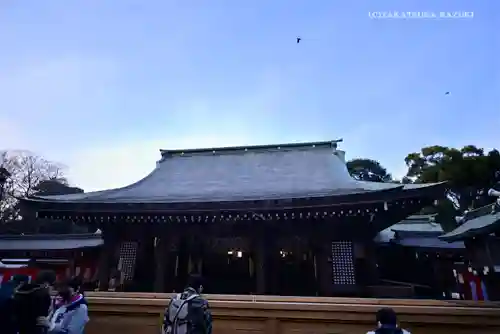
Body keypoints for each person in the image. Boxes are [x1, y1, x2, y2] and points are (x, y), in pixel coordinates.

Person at [13, 270, 56, 334]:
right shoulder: (43, 295)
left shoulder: (20, 290)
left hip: (19, 328)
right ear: (47, 283)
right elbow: (43, 317)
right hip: (36, 329)